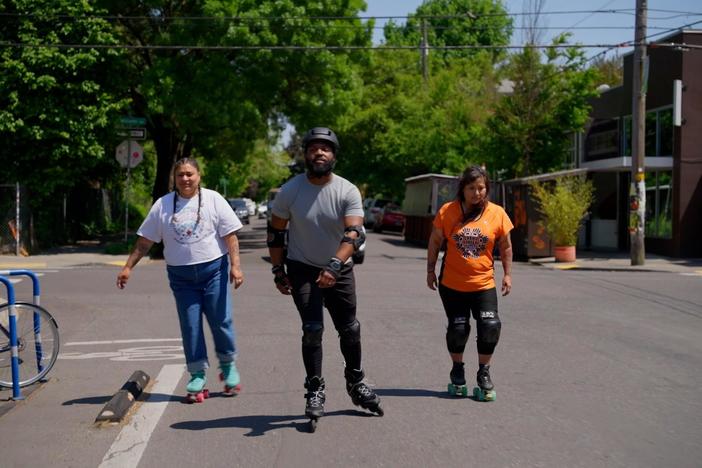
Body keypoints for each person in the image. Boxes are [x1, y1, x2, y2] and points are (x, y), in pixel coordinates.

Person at [268, 127, 383, 426]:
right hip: (302, 268)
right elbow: (276, 233)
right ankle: (315, 389)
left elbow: (354, 232)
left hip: (339, 267)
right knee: (312, 329)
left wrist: (334, 265)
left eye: (326, 148)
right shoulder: (290, 191)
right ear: (305, 154)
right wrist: (278, 270)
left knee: (350, 329)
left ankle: (356, 382)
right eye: (314, 148)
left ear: (334, 155)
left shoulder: (347, 190)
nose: (320, 152)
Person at [116, 157, 244, 403]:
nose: (185, 179)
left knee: (221, 321)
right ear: (174, 179)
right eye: (180, 175)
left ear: (199, 176)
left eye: (189, 174)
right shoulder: (162, 205)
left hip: (214, 270)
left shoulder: (214, 199)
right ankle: (197, 374)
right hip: (181, 277)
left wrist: (236, 267)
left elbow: (231, 236)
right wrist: (127, 267)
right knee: (191, 326)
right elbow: (145, 241)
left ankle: (228, 367)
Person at [426, 165, 513, 401]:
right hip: (452, 283)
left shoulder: (497, 213)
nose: (477, 193)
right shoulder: (448, 211)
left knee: (490, 325)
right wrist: (430, 270)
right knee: (458, 328)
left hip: (483, 284)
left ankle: (484, 372)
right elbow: (435, 242)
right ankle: (457, 368)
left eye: (481, 188)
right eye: (472, 188)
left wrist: (507, 274)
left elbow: (505, 246)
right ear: (463, 189)